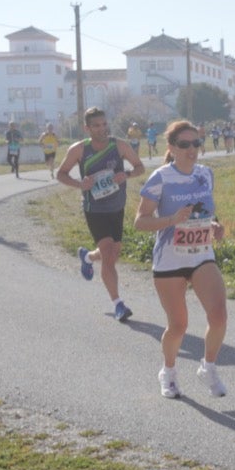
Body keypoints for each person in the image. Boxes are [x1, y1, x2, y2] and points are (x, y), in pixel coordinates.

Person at [135, 120, 230, 400]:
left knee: (219, 315)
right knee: (178, 326)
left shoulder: (206, 174)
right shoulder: (161, 178)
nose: (192, 149)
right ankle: (168, 372)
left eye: (196, 143)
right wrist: (171, 220)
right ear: (172, 148)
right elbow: (140, 222)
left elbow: (207, 212)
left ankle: (208, 368)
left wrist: (215, 226)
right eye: (184, 144)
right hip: (170, 260)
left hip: (201, 255)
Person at [58, 107, 145, 321]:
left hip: (117, 206)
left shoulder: (120, 145)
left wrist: (126, 174)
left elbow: (140, 167)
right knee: (107, 253)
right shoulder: (79, 149)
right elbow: (61, 174)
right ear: (87, 128)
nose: (102, 129)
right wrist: (80, 184)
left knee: (113, 253)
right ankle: (118, 304)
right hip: (94, 208)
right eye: (96, 126)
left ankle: (87, 257)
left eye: (104, 124)